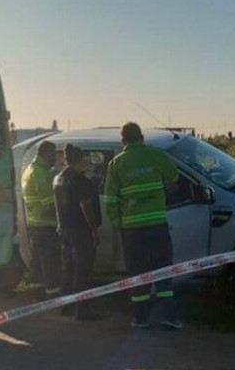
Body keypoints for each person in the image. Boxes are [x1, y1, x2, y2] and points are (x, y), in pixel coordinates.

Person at [103, 122, 182, 329]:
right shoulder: (155, 155)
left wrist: (119, 222)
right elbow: (174, 178)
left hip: (132, 231)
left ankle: (140, 319)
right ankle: (166, 317)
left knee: (138, 273)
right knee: (163, 270)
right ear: (141, 137)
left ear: (123, 141)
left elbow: (110, 200)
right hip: (157, 226)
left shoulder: (116, 164)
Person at [53, 144, 102, 321]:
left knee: (69, 268)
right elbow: (85, 205)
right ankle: (83, 310)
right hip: (80, 231)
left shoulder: (58, 179)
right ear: (80, 160)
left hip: (64, 229)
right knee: (83, 270)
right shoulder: (80, 181)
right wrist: (94, 229)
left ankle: (66, 305)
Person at [21, 140, 61, 299]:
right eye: (53, 155)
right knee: (50, 262)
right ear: (46, 153)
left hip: (35, 223)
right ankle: (54, 295)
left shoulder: (30, 170)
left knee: (37, 262)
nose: (55, 159)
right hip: (46, 224)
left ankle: (37, 293)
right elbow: (50, 203)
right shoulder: (40, 173)